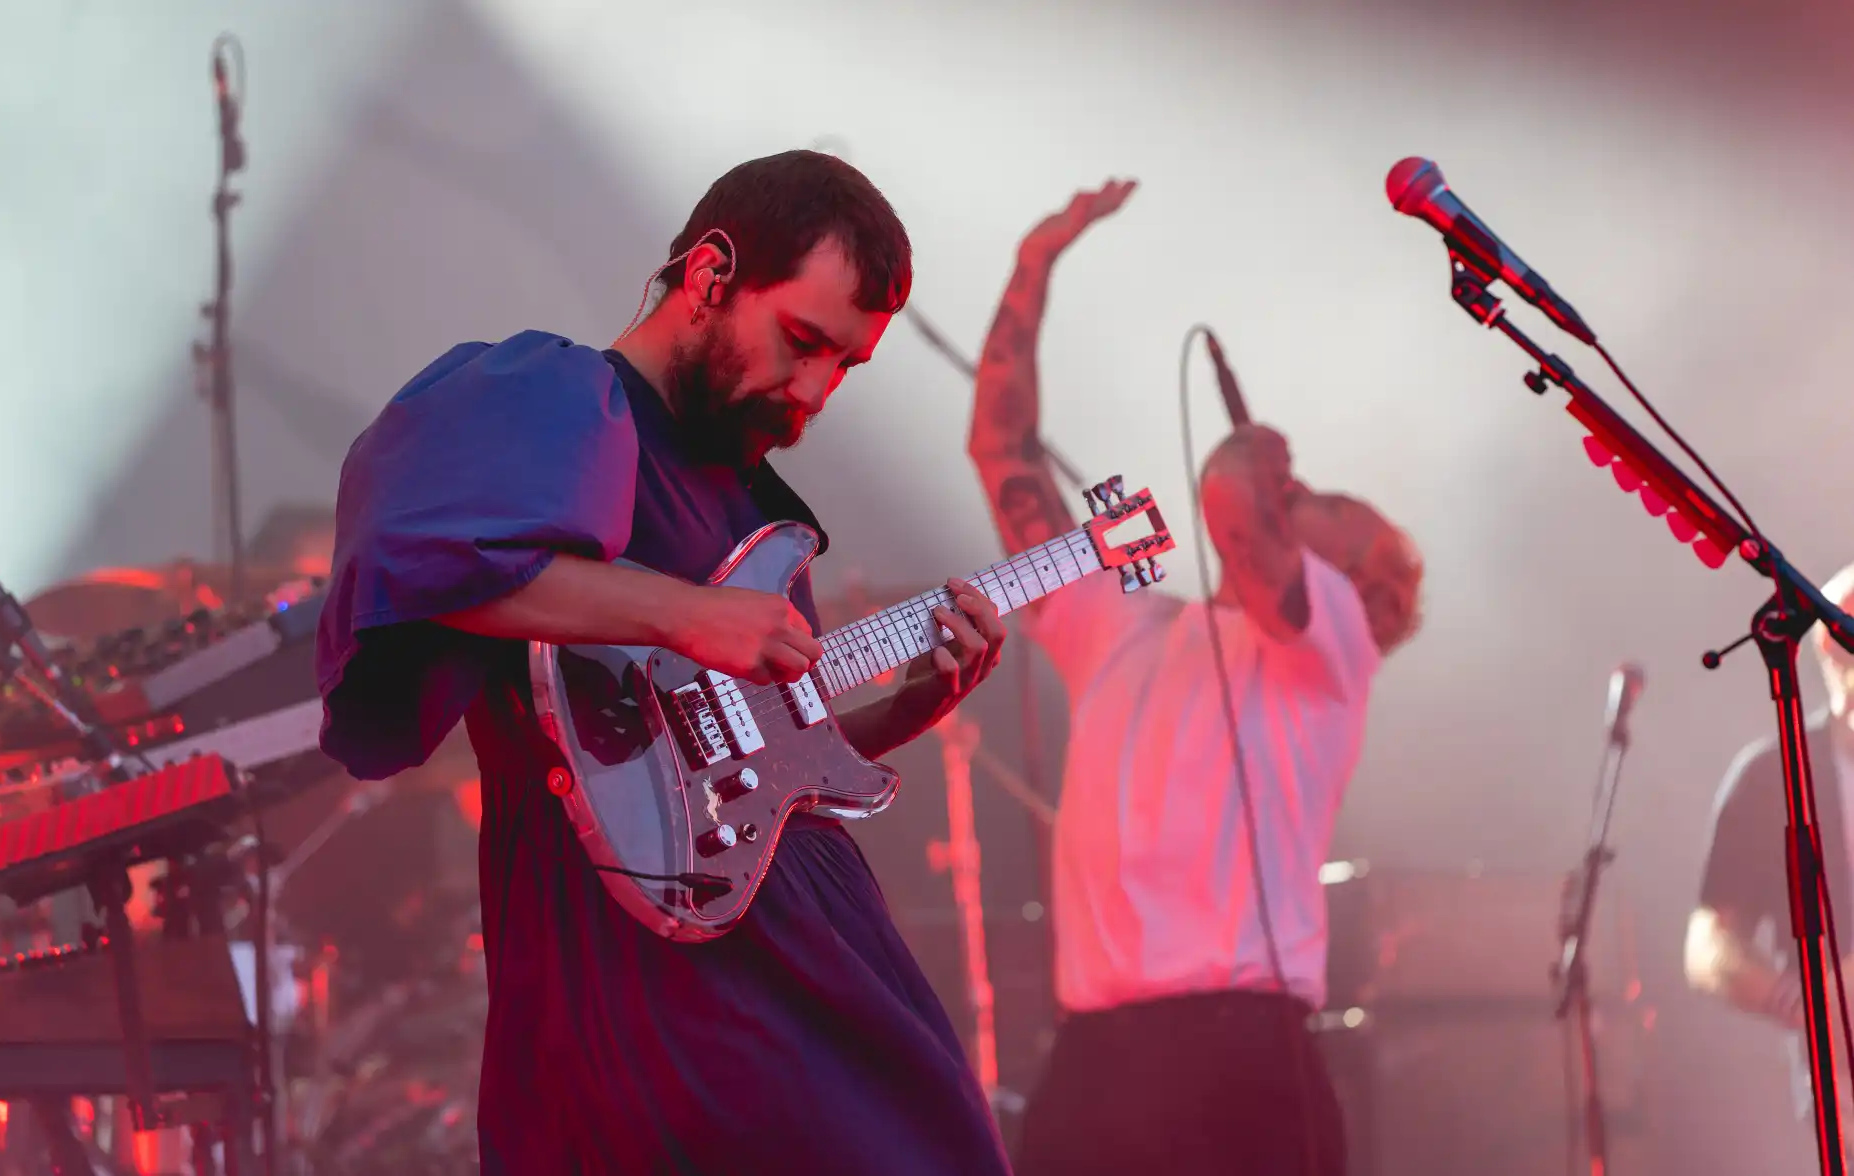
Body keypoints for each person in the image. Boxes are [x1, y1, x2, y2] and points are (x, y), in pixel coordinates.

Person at [315, 150, 1014, 1175]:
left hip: (803, 932)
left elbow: (740, 762)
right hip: (635, 946)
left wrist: (890, 715)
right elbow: (427, 572)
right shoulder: (563, 395)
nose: (815, 389)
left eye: (844, 367)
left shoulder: (749, 502)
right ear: (709, 274)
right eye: (801, 341)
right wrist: (684, 614)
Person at [966, 180, 1425, 1176]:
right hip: (1094, 1060)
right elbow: (998, 449)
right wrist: (1032, 264)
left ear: (1354, 584)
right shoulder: (1119, 623)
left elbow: (1225, 501)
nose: (1293, 491)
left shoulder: (1327, 647)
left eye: (1316, 502)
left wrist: (1243, 463)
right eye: (1295, 486)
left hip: (1239, 1063)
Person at [1688, 561, 1854, 1121]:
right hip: (1837, 1088)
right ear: (1824, 646)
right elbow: (1711, 941)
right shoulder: (1774, 776)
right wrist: (1793, 997)